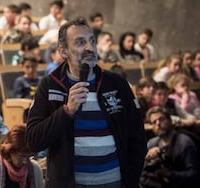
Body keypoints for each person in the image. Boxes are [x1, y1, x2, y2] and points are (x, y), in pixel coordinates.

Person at [26, 19, 147, 187]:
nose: (89, 48)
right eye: (80, 42)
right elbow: (33, 140)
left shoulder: (116, 84)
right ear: (63, 51)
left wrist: (130, 178)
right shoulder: (50, 85)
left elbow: (137, 137)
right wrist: (66, 111)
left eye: (92, 41)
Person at [141, 106, 199, 188]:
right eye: (154, 122)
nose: (158, 124)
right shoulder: (151, 144)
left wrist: (169, 174)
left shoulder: (184, 143)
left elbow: (194, 174)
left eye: (161, 119)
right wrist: (147, 157)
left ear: (170, 120)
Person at [0, 124, 43, 188]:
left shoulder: (35, 168)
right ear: (10, 151)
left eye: (29, 156)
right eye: (21, 156)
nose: (25, 161)